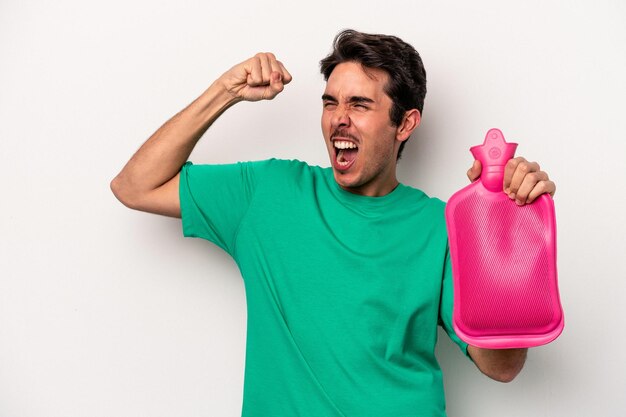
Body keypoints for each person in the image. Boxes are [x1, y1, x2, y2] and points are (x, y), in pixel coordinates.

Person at [111, 29, 556, 417]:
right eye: (330, 102)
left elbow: (502, 367)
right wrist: (224, 91)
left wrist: (504, 233)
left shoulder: (441, 227)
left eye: (359, 104)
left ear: (405, 123)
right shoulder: (267, 193)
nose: (339, 117)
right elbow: (135, 186)